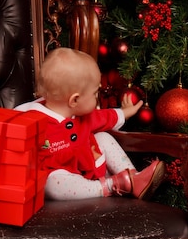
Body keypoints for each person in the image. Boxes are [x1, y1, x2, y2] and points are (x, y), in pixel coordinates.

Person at [15, 47, 165, 200]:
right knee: (52, 183)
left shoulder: (82, 114)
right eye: (94, 94)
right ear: (74, 100)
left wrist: (124, 112)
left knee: (103, 137)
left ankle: (134, 179)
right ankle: (111, 185)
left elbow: (105, 117)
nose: (97, 98)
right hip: (71, 183)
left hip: (92, 167)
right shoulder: (31, 121)